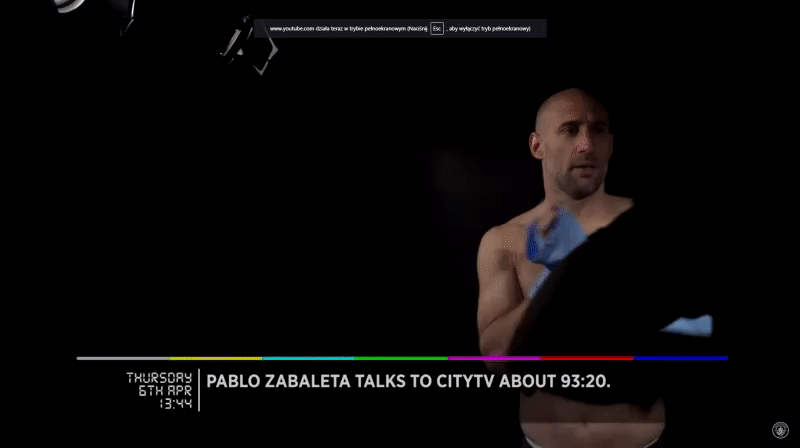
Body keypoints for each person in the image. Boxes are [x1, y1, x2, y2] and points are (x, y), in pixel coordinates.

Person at [477, 88, 685, 447]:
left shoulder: (654, 229)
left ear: (611, 144)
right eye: (570, 130)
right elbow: (495, 358)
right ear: (537, 145)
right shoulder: (504, 241)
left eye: (598, 130)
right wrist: (563, 275)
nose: (587, 145)